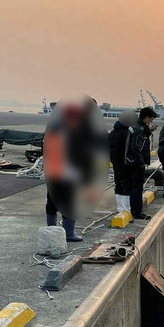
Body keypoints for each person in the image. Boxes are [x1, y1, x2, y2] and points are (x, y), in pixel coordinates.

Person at [44, 99, 97, 242]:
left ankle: (51, 231)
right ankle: (68, 234)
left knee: (52, 201)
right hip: (68, 173)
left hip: (53, 171)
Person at [126, 107, 158, 220]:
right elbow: (136, 148)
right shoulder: (139, 130)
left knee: (135, 188)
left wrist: (148, 131)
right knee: (137, 188)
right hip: (136, 164)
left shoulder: (137, 127)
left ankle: (135, 210)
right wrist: (141, 163)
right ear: (147, 118)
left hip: (132, 162)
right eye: (151, 119)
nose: (151, 122)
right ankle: (137, 212)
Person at [109, 109, 138, 215]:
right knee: (127, 185)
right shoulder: (128, 133)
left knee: (118, 184)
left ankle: (119, 207)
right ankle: (126, 208)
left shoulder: (113, 132)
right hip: (126, 163)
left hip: (115, 163)